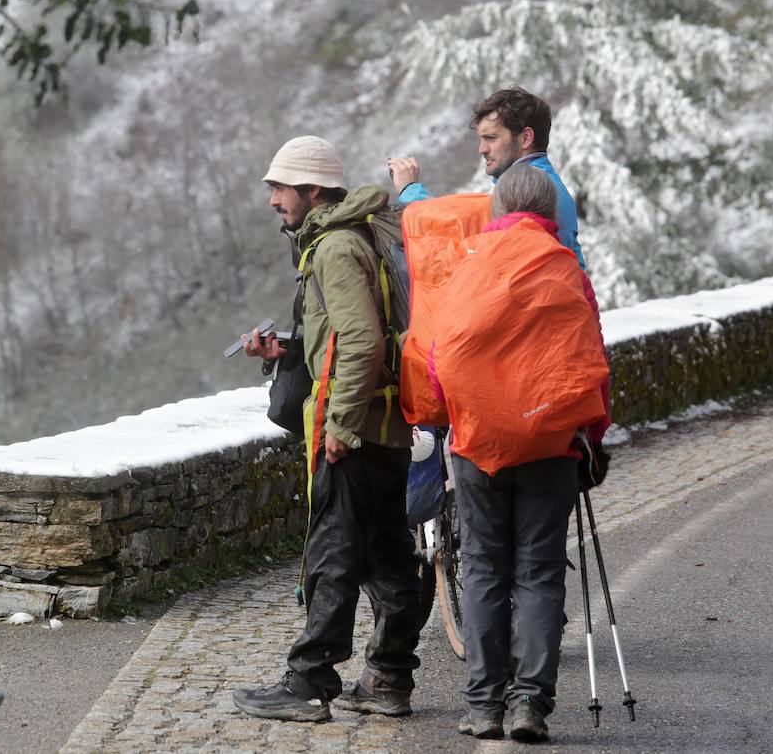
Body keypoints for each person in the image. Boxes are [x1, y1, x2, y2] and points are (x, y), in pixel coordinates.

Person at [232, 135, 422, 723]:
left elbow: (361, 341)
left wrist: (339, 422)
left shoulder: (336, 248)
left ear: (313, 191)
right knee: (389, 556)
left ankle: (310, 681)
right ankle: (389, 678)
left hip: (354, 428)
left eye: (279, 189)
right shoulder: (360, 234)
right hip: (385, 423)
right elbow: (343, 337)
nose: (272, 201)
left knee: (332, 553)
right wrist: (283, 352)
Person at [425, 165, 610, 743]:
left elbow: (438, 355)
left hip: (479, 442)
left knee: (483, 568)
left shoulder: (468, 265)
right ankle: (530, 702)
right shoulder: (565, 268)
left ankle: (484, 706)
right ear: (550, 214)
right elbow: (590, 358)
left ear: (497, 210)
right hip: (552, 442)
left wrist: (451, 415)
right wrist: (591, 438)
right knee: (538, 569)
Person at [387, 85, 586, 269]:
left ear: (525, 138)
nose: (482, 149)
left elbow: (458, 232)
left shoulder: (530, 192)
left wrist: (409, 190)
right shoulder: (544, 183)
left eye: (491, 138)